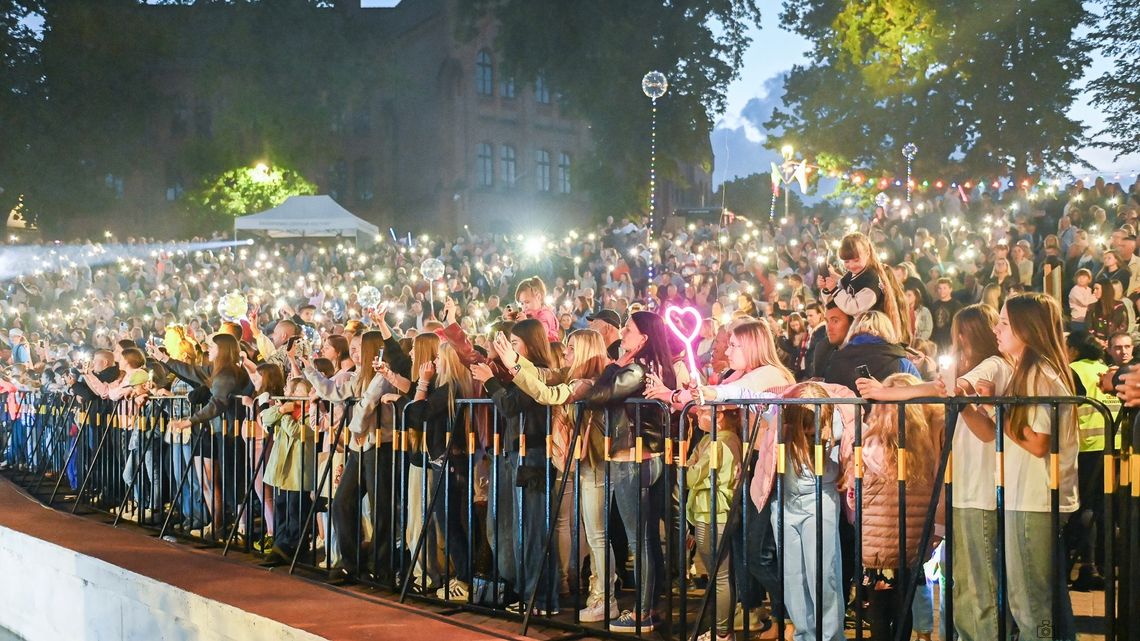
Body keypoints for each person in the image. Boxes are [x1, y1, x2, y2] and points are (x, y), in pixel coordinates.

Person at [858, 303, 1006, 641]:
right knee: (960, 584)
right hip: (965, 492)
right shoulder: (974, 376)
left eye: (957, 336)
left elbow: (941, 390)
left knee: (976, 585)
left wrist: (886, 393)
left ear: (967, 336)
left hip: (978, 490)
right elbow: (941, 390)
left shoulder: (990, 367)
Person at [479, 328, 615, 622]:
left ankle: (603, 597)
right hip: (569, 459)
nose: (565, 353)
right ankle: (584, 594)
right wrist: (513, 359)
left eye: (571, 348)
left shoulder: (584, 383)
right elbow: (540, 378)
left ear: (586, 352)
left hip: (590, 461)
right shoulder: (567, 375)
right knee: (573, 528)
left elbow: (545, 394)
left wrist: (511, 365)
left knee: (595, 534)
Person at [989, 294, 1079, 641]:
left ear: (1027, 329)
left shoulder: (1039, 374)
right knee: (1031, 599)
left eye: (1005, 324)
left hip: (1035, 499)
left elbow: (1039, 441)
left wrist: (999, 413)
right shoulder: (1029, 371)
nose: (996, 330)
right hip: (1027, 496)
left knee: (1031, 604)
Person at [583, 311, 676, 631]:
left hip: (630, 460)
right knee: (648, 539)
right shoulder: (658, 368)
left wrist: (612, 367)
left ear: (644, 338)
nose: (622, 334)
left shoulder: (635, 369)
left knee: (640, 541)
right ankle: (653, 605)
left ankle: (642, 612)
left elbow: (597, 396)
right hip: (649, 459)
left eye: (628, 329)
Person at [843, 373, 944, 641]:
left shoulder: (871, 443)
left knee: (878, 610)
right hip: (911, 541)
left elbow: (855, 497)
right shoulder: (926, 446)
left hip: (877, 543)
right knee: (903, 605)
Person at [406, 342, 477, 601]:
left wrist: (423, 383)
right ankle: (464, 576)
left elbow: (415, 414)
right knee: (452, 521)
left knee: (449, 522)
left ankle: (464, 580)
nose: (434, 362)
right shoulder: (455, 387)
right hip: (453, 460)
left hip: (446, 461)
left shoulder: (448, 389)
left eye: (438, 357)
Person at [822, 232, 910, 345]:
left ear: (867, 253)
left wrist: (833, 289)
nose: (852, 265)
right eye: (847, 262)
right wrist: (826, 288)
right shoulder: (850, 275)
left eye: (856, 260)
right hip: (857, 332)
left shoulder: (871, 279)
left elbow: (855, 308)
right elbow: (833, 301)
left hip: (874, 334)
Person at [824, 311, 920, 393]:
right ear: (888, 330)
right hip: (889, 414)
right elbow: (920, 399)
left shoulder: (836, 359)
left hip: (850, 414)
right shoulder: (903, 363)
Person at [1085, 278, 1129, 347]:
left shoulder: (1119, 306)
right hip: (1096, 344)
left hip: (1114, 344)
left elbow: (1122, 327)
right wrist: (1097, 340)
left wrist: (1110, 341)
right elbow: (1088, 326)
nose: (1094, 292)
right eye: (1094, 289)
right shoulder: (1092, 307)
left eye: (1097, 289)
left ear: (1105, 289)